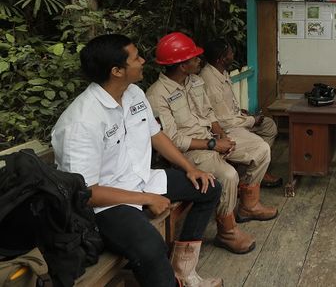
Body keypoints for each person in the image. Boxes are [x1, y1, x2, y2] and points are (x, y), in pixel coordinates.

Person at [51, 34, 222, 287]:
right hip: (105, 205)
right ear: (117, 71)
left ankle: (183, 270)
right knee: (150, 248)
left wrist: (190, 168)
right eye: (136, 57)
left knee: (209, 187)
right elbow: (86, 192)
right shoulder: (81, 121)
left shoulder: (134, 94)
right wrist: (146, 199)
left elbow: (156, 134)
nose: (143, 61)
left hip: (141, 179)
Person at [146, 32, 278, 256]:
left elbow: (209, 114)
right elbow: (173, 141)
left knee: (260, 149)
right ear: (181, 65)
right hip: (189, 151)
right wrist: (211, 145)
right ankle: (227, 232)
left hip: (211, 139)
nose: (200, 61)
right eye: (195, 58)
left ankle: (248, 205)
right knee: (228, 175)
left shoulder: (195, 81)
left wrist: (220, 137)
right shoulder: (156, 95)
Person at [199, 38, 282, 187]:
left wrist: (242, 112)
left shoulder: (221, 71)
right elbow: (222, 121)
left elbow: (227, 106)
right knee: (260, 146)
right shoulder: (210, 81)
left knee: (269, 126)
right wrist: (251, 120)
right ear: (221, 59)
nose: (233, 55)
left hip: (234, 121)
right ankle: (247, 184)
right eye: (230, 53)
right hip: (226, 129)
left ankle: (258, 169)